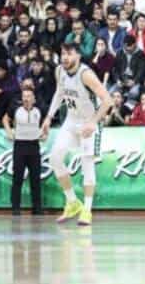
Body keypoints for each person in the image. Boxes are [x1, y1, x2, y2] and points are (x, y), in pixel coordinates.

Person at [40, 42, 113, 227]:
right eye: (63, 53)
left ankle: (87, 210)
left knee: (86, 164)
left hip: (89, 121)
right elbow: (59, 93)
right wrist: (49, 117)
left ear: (78, 56)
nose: (65, 57)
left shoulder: (85, 74)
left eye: (69, 53)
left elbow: (108, 100)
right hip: (71, 120)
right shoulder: (59, 71)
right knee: (55, 159)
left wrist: (93, 122)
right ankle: (72, 202)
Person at [2, 85, 44, 216]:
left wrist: (44, 133)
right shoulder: (15, 109)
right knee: (17, 178)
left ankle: (37, 208)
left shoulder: (39, 110)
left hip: (34, 145)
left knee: (35, 179)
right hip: (20, 146)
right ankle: (15, 207)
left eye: (28, 96)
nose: (26, 99)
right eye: (24, 96)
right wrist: (9, 131)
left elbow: (46, 123)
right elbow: (5, 118)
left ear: (34, 99)